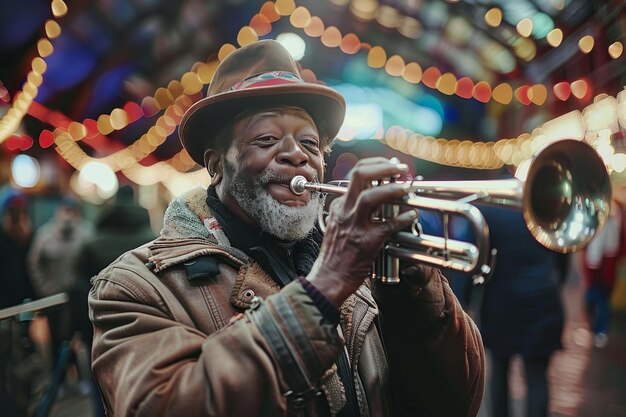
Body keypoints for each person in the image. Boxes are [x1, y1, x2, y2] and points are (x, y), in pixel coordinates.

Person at [88, 40, 485, 417]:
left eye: (311, 144)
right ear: (215, 165)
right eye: (267, 139)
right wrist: (327, 283)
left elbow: (452, 402)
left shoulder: (364, 269)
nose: (297, 155)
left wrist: (413, 289)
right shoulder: (133, 285)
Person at [477, 204, 566, 417]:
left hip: (501, 303)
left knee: (499, 372)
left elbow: (481, 261)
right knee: (537, 376)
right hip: (543, 301)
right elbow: (563, 261)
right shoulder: (549, 208)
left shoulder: (491, 210)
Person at [581, 199, 624, 348]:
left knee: (598, 302)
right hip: (603, 271)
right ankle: (596, 331)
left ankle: (599, 331)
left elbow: (597, 253)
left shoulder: (608, 219)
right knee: (594, 301)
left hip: (601, 272)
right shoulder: (614, 215)